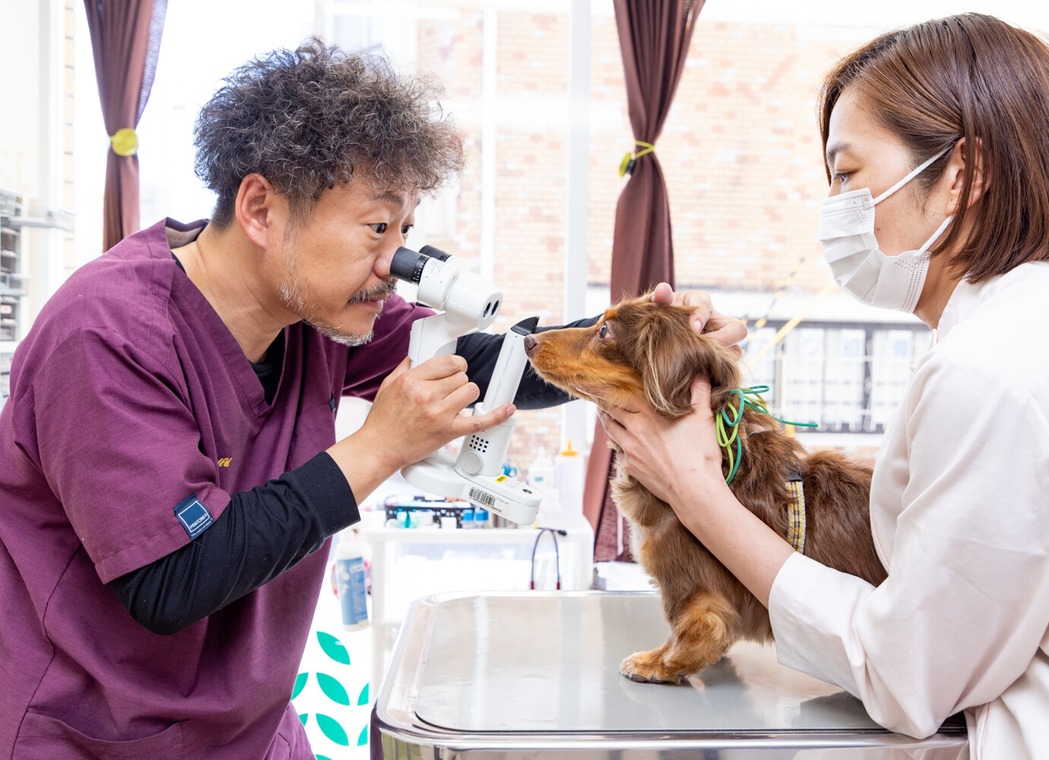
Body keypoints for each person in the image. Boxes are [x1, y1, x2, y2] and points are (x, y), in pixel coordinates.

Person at [0, 40, 744, 758]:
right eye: (377, 227)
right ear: (262, 209)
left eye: (407, 229)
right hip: (91, 732)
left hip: (248, 730)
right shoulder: (104, 336)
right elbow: (171, 579)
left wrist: (639, 337)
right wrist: (380, 446)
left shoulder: (317, 310)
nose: (396, 262)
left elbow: (487, 362)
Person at [599, 13, 1049, 760]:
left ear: (963, 174)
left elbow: (906, 675)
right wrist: (719, 393)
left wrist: (697, 492)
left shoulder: (993, 373)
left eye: (849, 175)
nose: (835, 209)